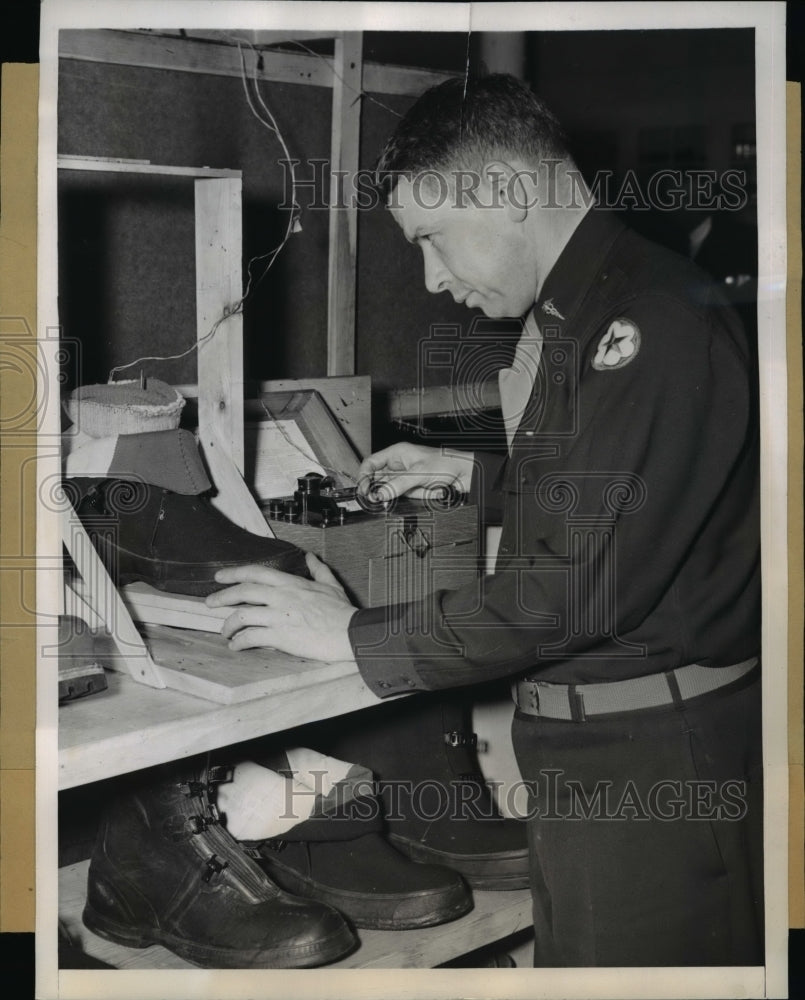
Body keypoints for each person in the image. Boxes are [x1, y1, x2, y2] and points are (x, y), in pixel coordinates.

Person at [207, 74, 763, 968]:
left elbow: (567, 594)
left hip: (654, 761)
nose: (430, 278)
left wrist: (350, 633)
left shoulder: (642, 324)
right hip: (605, 752)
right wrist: (472, 473)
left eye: (428, 238)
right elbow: (636, 487)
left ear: (505, 191)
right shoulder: (586, 310)